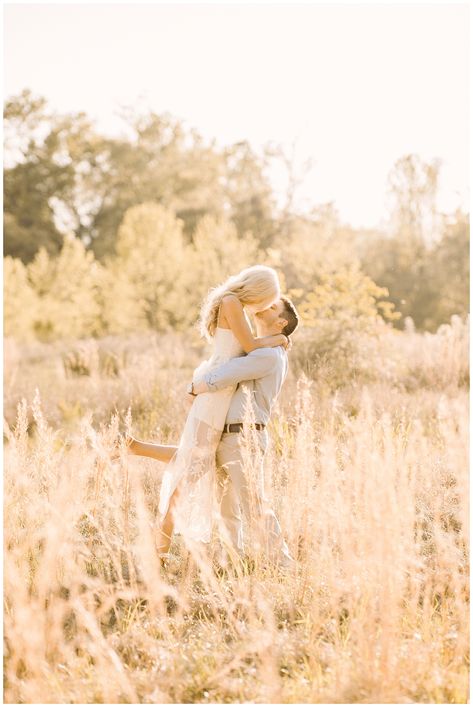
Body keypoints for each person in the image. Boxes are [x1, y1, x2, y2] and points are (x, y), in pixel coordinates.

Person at [127, 296, 300, 568]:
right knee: (227, 509)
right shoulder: (260, 349)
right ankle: (234, 563)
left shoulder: (268, 356)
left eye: (273, 306)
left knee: (254, 504)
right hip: (227, 434)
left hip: (245, 436)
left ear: (281, 322)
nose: (265, 305)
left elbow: (227, 372)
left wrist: (196, 386)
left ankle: (283, 564)